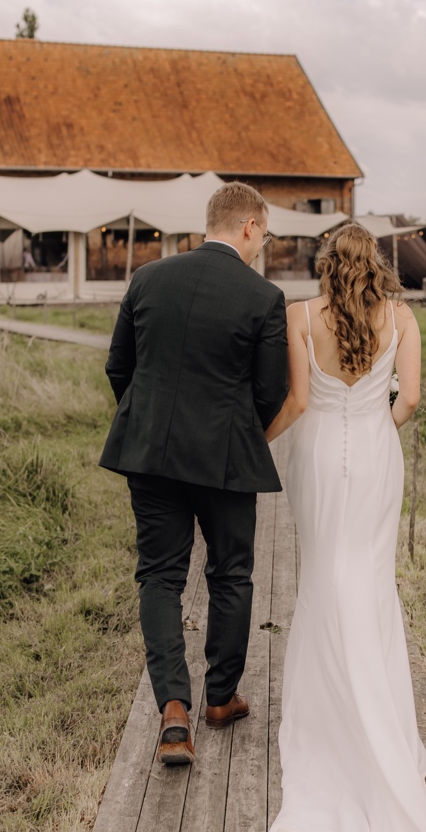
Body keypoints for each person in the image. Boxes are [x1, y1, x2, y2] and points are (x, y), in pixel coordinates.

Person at [262, 223, 426, 832]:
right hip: (375, 456)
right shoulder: (403, 316)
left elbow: (300, 401)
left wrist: (258, 439)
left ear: (327, 263)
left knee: (326, 580)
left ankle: (340, 710)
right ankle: (378, 709)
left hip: (317, 460)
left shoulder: (299, 315)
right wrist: (377, 428)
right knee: (368, 581)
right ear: (378, 264)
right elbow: (412, 398)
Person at [99, 181, 288, 766]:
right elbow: (271, 391)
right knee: (231, 573)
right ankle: (221, 697)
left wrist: (151, 422)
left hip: (149, 454)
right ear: (250, 226)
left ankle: (173, 710)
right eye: (266, 233)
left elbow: (118, 367)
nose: (263, 245)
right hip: (225, 459)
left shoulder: (147, 279)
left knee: (159, 576)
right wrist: (234, 430)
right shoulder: (262, 297)